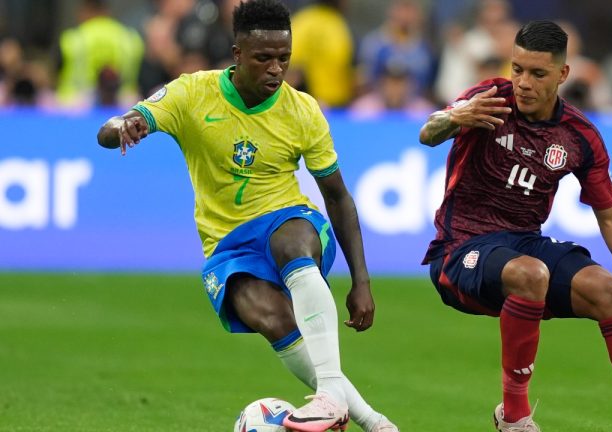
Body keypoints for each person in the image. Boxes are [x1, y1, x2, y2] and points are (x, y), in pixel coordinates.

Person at [95, 1, 397, 431]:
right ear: (237, 55)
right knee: (274, 321)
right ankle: (376, 423)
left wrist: (361, 282)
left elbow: (338, 197)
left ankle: (330, 396)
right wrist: (121, 128)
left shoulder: (302, 110)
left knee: (291, 242)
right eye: (264, 58)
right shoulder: (192, 93)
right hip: (226, 245)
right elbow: (117, 126)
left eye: (284, 59)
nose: (276, 70)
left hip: (289, 220)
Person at [418, 20, 612, 432]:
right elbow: (427, 133)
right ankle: (516, 417)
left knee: (609, 291)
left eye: (537, 73)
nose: (522, 83)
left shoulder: (578, 135)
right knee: (530, 274)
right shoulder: (489, 99)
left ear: (562, 74)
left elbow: (609, 213)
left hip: (524, 243)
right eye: (517, 69)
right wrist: (458, 116)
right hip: (460, 248)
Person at [56, 0, 144, 107]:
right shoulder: (129, 38)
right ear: (107, 12)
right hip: (123, 108)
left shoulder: (73, 39)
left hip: (75, 109)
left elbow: (56, 72)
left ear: (85, 11)